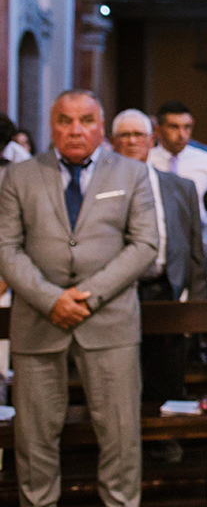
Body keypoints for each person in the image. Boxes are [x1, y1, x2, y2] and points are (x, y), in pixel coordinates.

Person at [0, 90, 158, 507]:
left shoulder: (131, 173)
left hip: (109, 322)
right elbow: (5, 247)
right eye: (65, 121)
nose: (75, 130)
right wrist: (51, 299)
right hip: (39, 321)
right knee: (34, 441)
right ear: (51, 126)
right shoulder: (19, 176)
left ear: (100, 127)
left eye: (86, 120)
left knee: (121, 439)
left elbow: (144, 245)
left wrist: (87, 298)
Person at [111, 108, 207, 407]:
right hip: (117, 291)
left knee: (167, 376)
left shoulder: (180, 186)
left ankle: (167, 442)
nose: (131, 141)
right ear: (113, 142)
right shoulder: (99, 186)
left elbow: (195, 250)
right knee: (120, 378)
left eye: (138, 134)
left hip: (166, 288)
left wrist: (196, 308)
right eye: (124, 135)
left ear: (151, 140)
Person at [148, 100, 207, 232]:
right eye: (174, 127)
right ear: (158, 130)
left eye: (187, 127)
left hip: (201, 232)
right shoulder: (147, 160)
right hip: (156, 230)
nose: (181, 134)